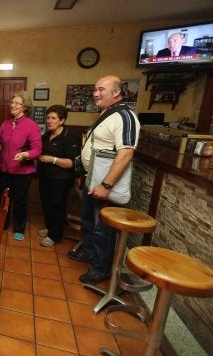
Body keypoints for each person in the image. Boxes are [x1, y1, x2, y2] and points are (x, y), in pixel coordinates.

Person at [68, 75, 140, 284]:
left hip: (104, 185)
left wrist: (106, 185)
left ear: (116, 92)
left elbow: (125, 154)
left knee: (103, 229)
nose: (96, 94)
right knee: (90, 222)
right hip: (93, 181)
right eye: (95, 89)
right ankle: (89, 254)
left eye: (101, 90)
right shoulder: (107, 113)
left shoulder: (125, 116)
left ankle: (101, 269)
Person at [0, 91, 42, 241]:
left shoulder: (31, 126)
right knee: (2, 199)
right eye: (12, 102)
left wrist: (25, 155)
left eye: (17, 103)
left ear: (25, 107)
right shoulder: (5, 124)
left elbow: (37, 150)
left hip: (22, 172)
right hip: (4, 169)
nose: (12, 105)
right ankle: (1, 224)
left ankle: (19, 228)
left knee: (19, 200)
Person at [37, 105, 81, 247]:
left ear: (61, 121)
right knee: (46, 203)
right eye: (48, 118)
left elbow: (72, 163)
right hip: (45, 176)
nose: (49, 121)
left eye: (53, 118)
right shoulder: (46, 136)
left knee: (57, 205)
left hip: (61, 178)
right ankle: (50, 228)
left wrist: (52, 159)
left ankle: (55, 236)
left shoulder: (70, 137)